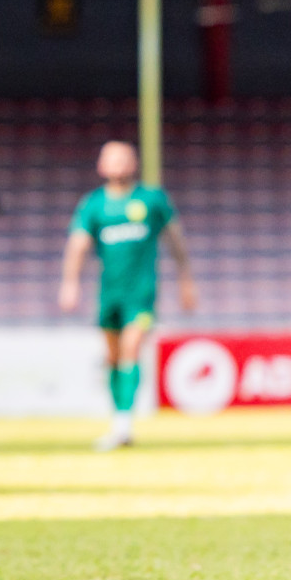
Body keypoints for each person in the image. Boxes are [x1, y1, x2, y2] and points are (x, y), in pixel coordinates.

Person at [59, 141, 197, 452]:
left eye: (124, 159)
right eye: (112, 159)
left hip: (141, 293)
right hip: (109, 294)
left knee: (131, 349)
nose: (118, 164)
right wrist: (70, 282)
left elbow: (174, 238)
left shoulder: (151, 200)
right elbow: (78, 245)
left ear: (133, 164)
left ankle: (124, 425)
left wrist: (186, 279)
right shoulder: (94, 205)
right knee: (112, 357)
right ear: (101, 166)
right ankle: (119, 417)